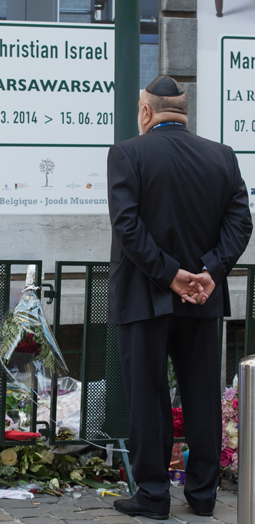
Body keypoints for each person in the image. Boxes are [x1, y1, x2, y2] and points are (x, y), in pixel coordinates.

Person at [107, 75, 252, 520]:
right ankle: (203, 496)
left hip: (143, 297)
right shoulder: (221, 156)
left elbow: (127, 226)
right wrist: (209, 272)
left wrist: (170, 276)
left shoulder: (127, 153)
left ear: (146, 112)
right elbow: (240, 224)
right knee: (203, 395)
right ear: (185, 114)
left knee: (148, 397)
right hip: (203, 299)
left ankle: (152, 497)